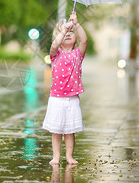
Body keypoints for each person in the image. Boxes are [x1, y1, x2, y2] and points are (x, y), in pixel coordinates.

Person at [42, 11, 88, 165]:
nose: (68, 34)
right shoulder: (56, 54)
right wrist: (65, 28)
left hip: (72, 98)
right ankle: (56, 156)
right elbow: (54, 44)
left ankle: (69, 155)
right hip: (56, 98)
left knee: (70, 130)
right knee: (56, 130)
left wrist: (76, 24)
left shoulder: (78, 54)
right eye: (64, 33)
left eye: (71, 32)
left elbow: (84, 40)